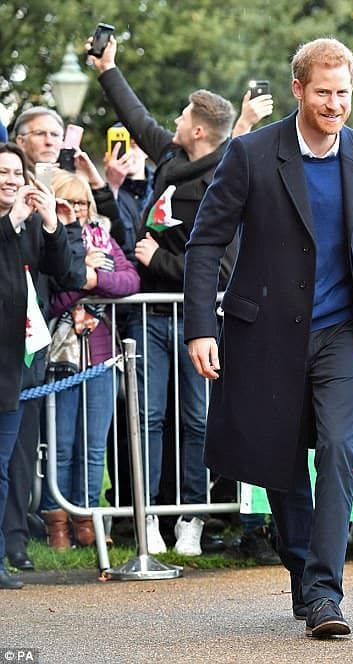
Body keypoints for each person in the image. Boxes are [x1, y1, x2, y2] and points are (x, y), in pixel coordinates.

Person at [182, 37, 353, 639]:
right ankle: (302, 563)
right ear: (299, 89)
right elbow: (204, 243)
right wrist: (201, 326)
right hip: (266, 335)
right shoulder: (252, 154)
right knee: (280, 464)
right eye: (324, 92)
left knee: (338, 449)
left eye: (344, 93)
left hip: (342, 334)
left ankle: (325, 593)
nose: (335, 104)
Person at [88, 35, 237, 556]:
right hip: (149, 319)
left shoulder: (225, 179)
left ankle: (191, 518)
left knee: (196, 420)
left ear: (199, 129)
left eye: (181, 116)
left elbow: (222, 267)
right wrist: (108, 70)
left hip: (196, 320)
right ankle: (147, 517)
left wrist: (159, 261)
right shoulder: (172, 158)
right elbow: (138, 119)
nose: (172, 121)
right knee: (146, 418)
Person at [39, 171, 139, 549]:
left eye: (82, 203)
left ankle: (88, 521)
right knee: (62, 444)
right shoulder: (47, 241)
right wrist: (81, 281)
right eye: (69, 202)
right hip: (61, 357)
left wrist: (91, 277)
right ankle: (56, 524)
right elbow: (51, 297)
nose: (77, 210)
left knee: (94, 445)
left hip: (101, 356)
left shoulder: (103, 237)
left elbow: (131, 282)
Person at [0, 143, 74, 588]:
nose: (9, 179)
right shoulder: (10, 226)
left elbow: (63, 272)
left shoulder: (28, 224)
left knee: (3, 466)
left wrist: (50, 224)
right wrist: (11, 226)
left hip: (13, 367)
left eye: (15, 172)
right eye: (1, 172)